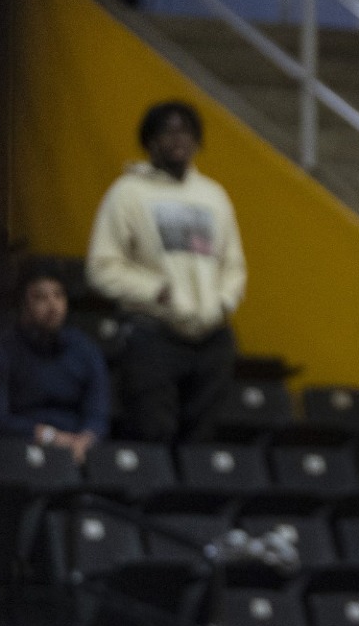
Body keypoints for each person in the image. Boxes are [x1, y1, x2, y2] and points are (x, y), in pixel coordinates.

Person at [87, 100, 246, 443]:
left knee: (201, 440)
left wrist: (220, 304)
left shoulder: (213, 196)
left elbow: (233, 267)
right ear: (151, 141)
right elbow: (102, 267)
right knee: (154, 433)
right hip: (152, 332)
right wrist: (154, 291)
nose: (179, 139)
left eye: (187, 132)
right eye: (168, 131)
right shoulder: (127, 193)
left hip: (211, 337)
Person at [0, 260, 109, 463]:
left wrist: (85, 441)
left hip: (77, 451)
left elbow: (97, 415)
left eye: (59, 295)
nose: (53, 305)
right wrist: (50, 437)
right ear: (23, 304)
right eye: (40, 297)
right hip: (22, 449)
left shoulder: (86, 350)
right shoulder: (1, 351)